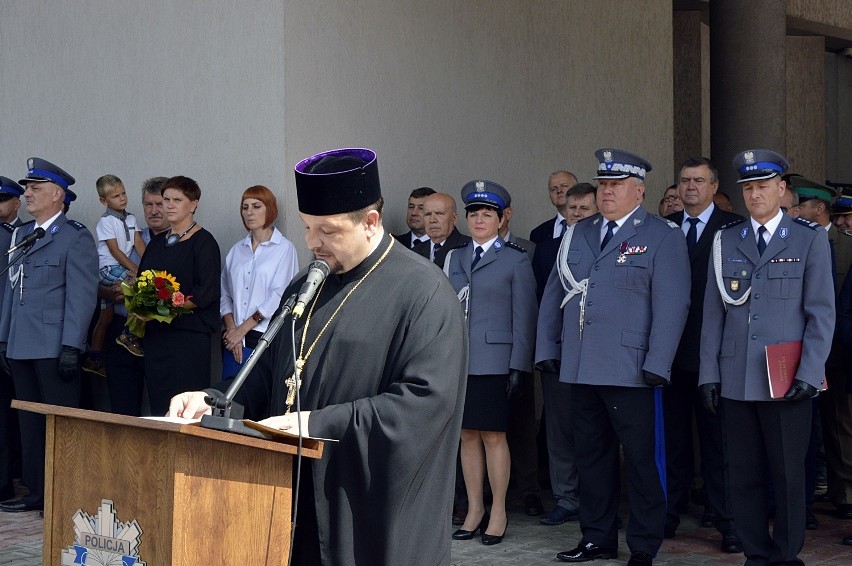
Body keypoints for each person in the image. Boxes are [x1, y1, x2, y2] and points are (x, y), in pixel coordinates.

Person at [168, 148, 467, 565]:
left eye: (326, 230)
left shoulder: (425, 292)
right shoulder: (305, 286)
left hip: (368, 511)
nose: (311, 243)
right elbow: (269, 373)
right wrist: (212, 398)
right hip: (291, 496)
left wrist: (314, 424)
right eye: (308, 228)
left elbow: (425, 404)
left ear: (371, 222)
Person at [537, 148, 690, 566]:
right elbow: (556, 292)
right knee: (592, 459)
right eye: (603, 184)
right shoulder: (579, 231)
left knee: (641, 462)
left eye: (616, 185)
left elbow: (672, 304)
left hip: (633, 369)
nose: (606, 192)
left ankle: (643, 543)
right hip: (582, 365)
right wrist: (548, 348)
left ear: (638, 192)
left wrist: (659, 363)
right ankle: (597, 538)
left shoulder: (661, 235)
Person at [699, 148, 834, 566]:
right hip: (737, 375)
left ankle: (785, 555)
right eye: (748, 188)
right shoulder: (726, 241)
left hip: (787, 378)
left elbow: (820, 314)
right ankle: (756, 553)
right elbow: (712, 314)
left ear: (781, 190)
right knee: (743, 475)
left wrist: (811, 373)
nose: (755, 195)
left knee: (789, 476)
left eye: (762, 186)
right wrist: (708, 374)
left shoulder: (808, 239)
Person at [0, 158, 98, 513]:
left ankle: (64, 494)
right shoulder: (23, 235)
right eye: (27, 188)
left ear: (57, 195)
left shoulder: (74, 237)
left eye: (35, 188)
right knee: (30, 423)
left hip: (55, 347)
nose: (26, 194)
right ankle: (37, 492)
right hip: (22, 345)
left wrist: (73, 345)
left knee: (61, 425)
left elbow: (82, 296)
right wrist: (4, 338)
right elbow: (13, 290)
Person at [445, 180, 537, 546]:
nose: (479, 219)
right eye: (473, 214)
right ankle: (474, 509)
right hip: (461, 361)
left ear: (501, 220)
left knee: (494, 437)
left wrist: (519, 366)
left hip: (497, 361)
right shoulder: (456, 257)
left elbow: (524, 317)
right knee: (466, 436)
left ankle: (498, 509)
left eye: (487, 214)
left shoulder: (515, 259)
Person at [662, 157, 743, 551]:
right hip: (672, 354)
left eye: (698, 180)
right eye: (683, 181)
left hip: (716, 355)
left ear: (714, 187)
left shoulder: (733, 228)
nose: (689, 187)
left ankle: (727, 521)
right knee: (673, 440)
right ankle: (670, 513)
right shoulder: (665, 229)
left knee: (719, 444)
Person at [534, 181, 597, 527]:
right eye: (572, 208)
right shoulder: (547, 249)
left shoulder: (605, 246)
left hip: (597, 357)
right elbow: (544, 304)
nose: (576, 213)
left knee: (594, 432)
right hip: (560, 354)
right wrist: (545, 349)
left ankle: (596, 499)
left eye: (584, 208)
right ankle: (566, 498)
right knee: (559, 432)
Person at [137, 176, 220, 416]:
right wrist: (143, 308)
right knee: (159, 409)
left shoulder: (204, 242)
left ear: (193, 204)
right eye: (166, 200)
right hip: (156, 340)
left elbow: (207, 291)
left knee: (184, 412)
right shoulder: (155, 243)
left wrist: (165, 310)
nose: (169, 205)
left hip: (187, 341)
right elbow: (144, 282)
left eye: (177, 200)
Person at [104, 177, 170, 416]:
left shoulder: (181, 243)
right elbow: (98, 281)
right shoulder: (127, 239)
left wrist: (138, 288)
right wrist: (114, 289)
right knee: (122, 409)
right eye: (147, 205)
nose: (153, 211)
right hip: (121, 328)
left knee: (163, 413)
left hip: (160, 334)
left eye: (159, 204)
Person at [220, 185, 298, 377]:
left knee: (259, 398)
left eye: (256, 206)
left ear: (270, 209)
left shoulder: (284, 249)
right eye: (245, 207)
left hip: (264, 337)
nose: (249, 212)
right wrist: (233, 331)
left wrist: (242, 330)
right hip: (232, 341)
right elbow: (224, 294)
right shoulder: (237, 250)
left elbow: (279, 295)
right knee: (231, 398)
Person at [85, 175, 147, 377]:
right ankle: (128, 335)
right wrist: (136, 270)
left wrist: (149, 266)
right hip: (108, 268)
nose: (122, 199)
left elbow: (139, 244)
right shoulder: (106, 221)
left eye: (123, 193)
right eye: (115, 196)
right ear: (104, 201)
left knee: (106, 316)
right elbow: (114, 251)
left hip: (119, 266)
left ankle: (94, 358)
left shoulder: (130, 218)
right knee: (137, 289)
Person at [415, 192, 470, 267]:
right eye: (428, 214)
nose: (432, 220)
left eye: (439, 213)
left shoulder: (469, 248)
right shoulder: (414, 252)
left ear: (454, 218)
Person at [529, 170, 578, 245]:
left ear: (577, 190)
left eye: (564, 186)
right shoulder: (538, 233)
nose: (559, 191)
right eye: (553, 189)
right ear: (550, 197)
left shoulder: (590, 226)